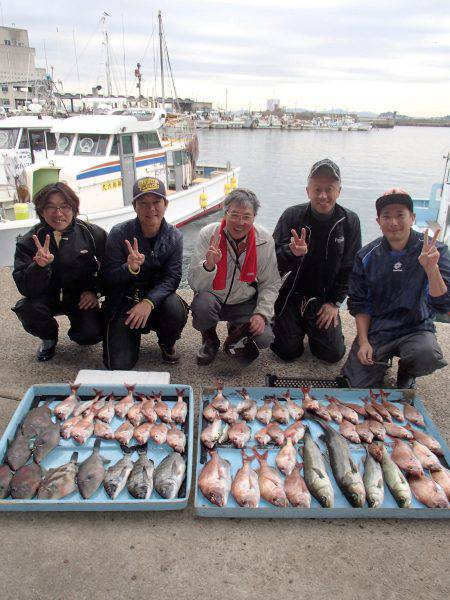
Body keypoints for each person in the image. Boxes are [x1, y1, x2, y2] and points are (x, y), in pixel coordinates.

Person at [342, 189, 450, 389]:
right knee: (355, 385)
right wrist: (364, 341)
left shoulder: (435, 251)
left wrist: (431, 269)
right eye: (386, 216)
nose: (393, 223)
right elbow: (360, 304)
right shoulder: (367, 255)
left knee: (426, 354)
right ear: (378, 221)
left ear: (412, 217)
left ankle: (408, 370)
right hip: (379, 329)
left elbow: (443, 305)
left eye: (400, 215)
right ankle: (378, 363)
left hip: (416, 327)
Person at [271, 159, 361, 363]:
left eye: (329, 189)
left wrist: (334, 303)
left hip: (323, 298)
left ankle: (324, 329)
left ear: (339, 191)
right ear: (307, 190)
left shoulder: (349, 221)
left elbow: (350, 269)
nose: (323, 196)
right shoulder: (291, 215)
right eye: (317, 189)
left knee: (332, 355)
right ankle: (292, 324)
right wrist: (291, 252)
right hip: (290, 295)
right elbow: (273, 261)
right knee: (286, 351)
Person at [12, 182, 106, 361]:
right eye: (50, 207)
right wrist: (38, 267)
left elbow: (110, 270)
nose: (58, 213)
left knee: (91, 334)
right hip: (46, 296)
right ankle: (48, 337)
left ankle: (80, 330)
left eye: (64, 206)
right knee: (27, 308)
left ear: (74, 208)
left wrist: (95, 291)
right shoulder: (28, 241)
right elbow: (25, 288)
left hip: (79, 297)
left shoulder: (94, 234)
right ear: (41, 211)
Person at [188, 188, 281, 366]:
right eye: (235, 215)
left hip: (244, 301)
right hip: (213, 296)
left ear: (254, 217)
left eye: (246, 216)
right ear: (225, 213)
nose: (240, 222)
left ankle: (236, 329)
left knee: (265, 338)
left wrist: (261, 314)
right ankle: (209, 339)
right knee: (201, 305)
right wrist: (209, 266)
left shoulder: (265, 240)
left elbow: (270, 283)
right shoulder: (208, 234)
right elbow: (194, 284)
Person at [102, 176, 188, 370]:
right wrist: (129, 268)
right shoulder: (118, 233)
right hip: (124, 302)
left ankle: (167, 342)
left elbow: (172, 278)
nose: (151, 209)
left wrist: (149, 302)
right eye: (143, 203)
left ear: (165, 204)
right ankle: (127, 338)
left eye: (157, 202)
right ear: (134, 206)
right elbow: (107, 276)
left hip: (157, 303)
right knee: (117, 365)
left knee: (175, 308)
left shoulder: (174, 236)